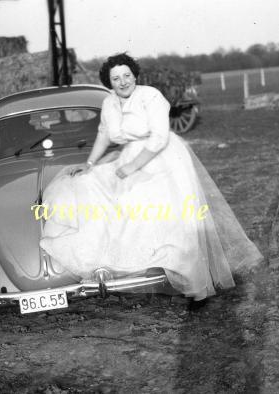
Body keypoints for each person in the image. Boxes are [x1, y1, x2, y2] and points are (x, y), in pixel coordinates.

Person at [39, 53, 263, 301]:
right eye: (116, 78)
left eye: (127, 75)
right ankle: (134, 266)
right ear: (109, 82)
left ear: (135, 75)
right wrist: (89, 163)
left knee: (167, 220)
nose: (123, 82)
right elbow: (104, 133)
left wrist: (133, 167)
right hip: (130, 156)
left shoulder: (150, 96)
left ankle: (194, 286)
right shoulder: (110, 103)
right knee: (84, 185)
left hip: (162, 158)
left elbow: (158, 138)